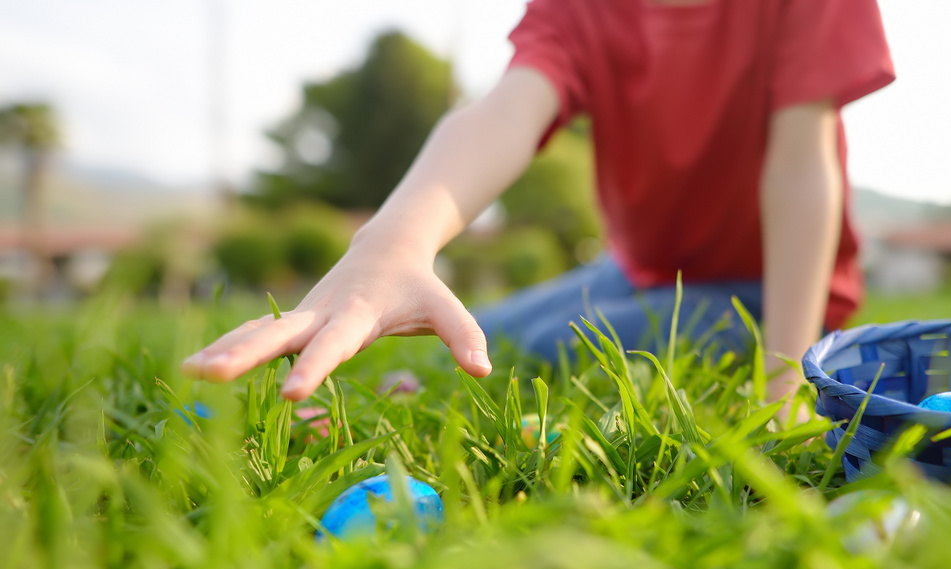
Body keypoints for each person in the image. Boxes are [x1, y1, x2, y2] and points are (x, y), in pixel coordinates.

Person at [183, 0, 894, 407]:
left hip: (770, 292)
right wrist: (392, 244)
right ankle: (398, 387)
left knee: (550, 349)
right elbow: (504, 116)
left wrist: (786, 376)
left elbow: (803, 168)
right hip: (641, 268)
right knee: (475, 334)